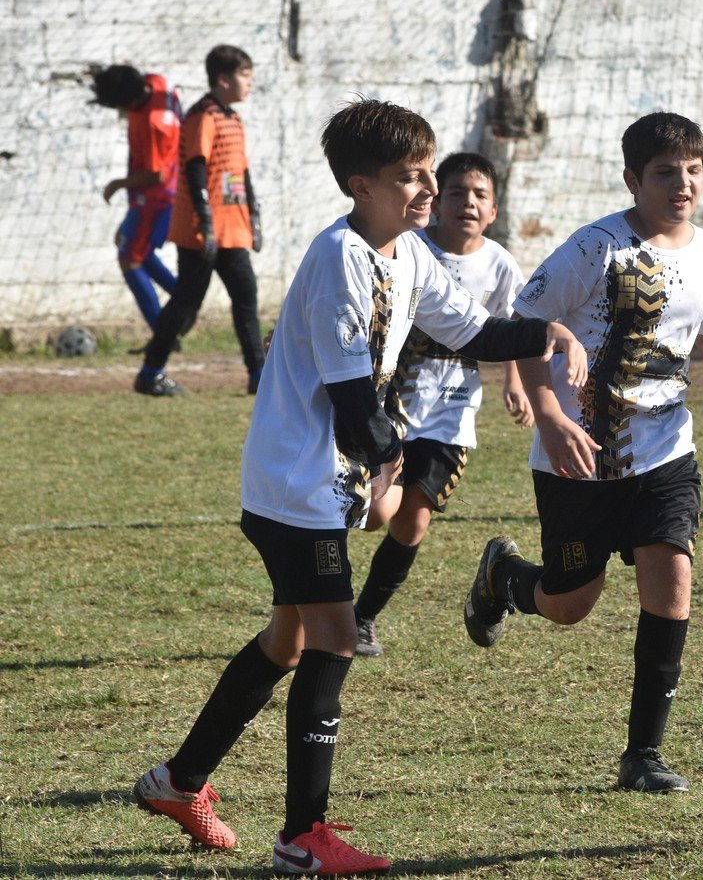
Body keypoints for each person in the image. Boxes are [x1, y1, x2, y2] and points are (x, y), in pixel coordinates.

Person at [132, 99, 587, 877]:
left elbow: (473, 332)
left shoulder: (408, 255)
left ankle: (177, 783)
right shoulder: (339, 259)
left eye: (429, 174)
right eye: (410, 178)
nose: (427, 191)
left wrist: (545, 331)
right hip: (295, 488)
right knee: (337, 638)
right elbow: (354, 406)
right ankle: (301, 836)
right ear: (360, 185)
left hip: (313, 486)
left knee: (289, 639)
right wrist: (390, 466)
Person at [463, 111, 703, 794]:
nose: (681, 184)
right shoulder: (595, 249)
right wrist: (548, 419)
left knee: (671, 579)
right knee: (570, 603)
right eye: (664, 173)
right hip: (579, 454)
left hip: (664, 451)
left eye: (692, 170)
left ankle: (643, 756)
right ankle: (504, 578)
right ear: (633, 180)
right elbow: (522, 330)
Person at [353, 152, 533, 657]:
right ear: (436, 199)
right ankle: (320, 594)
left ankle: (362, 618)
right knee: (375, 516)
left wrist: (512, 382)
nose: (467, 203)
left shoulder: (499, 265)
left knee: (414, 521)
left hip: (453, 414)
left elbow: (507, 330)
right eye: (456, 192)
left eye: (480, 196)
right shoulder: (409, 248)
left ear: (493, 211)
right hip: (394, 407)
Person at [133, 45, 266, 397]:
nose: (251, 82)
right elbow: (195, 168)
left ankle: (259, 376)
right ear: (223, 79)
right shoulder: (202, 115)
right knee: (187, 302)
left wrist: (253, 216)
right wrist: (206, 223)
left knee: (246, 296)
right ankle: (150, 373)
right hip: (201, 230)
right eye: (245, 75)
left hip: (232, 228)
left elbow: (242, 173)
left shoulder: (234, 119)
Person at [91, 64, 183, 331]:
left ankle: (164, 331)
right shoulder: (157, 82)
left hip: (157, 199)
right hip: (154, 196)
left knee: (130, 258)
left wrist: (117, 183)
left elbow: (155, 175)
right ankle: (184, 303)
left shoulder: (152, 124)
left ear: (129, 101)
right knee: (129, 246)